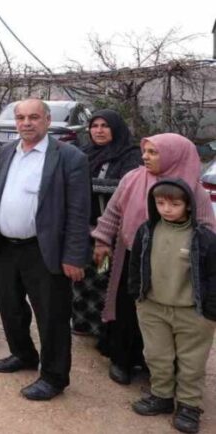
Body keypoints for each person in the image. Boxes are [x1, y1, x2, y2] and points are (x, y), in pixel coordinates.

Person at [0, 98, 91, 402]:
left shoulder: (69, 157)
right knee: (10, 306)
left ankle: (54, 376)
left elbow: (79, 212)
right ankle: (23, 354)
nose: (26, 123)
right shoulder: (7, 152)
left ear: (47, 121)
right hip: (5, 247)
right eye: (21, 118)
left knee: (51, 314)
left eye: (33, 117)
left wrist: (73, 256)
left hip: (45, 249)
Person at [91, 133, 216, 385]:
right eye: (145, 151)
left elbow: (207, 232)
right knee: (128, 311)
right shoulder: (132, 178)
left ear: (173, 156)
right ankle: (122, 361)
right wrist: (102, 241)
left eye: (153, 152)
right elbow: (113, 213)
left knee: (164, 319)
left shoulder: (192, 190)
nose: (145, 157)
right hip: (132, 259)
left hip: (175, 268)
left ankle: (160, 372)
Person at [128, 179, 216, 433]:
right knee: (157, 356)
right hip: (153, 308)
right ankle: (162, 396)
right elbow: (135, 263)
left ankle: (189, 406)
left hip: (192, 313)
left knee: (191, 362)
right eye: (160, 203)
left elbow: (213, 276)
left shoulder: (203, 238)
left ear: (188, 205)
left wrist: (210, 312)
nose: (166, 209)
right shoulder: (147, 231)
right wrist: (137, 295)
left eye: (175, 204)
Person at [72, 109, 143, 339]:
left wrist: (87, 184)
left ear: (116, 129)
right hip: (83, 229)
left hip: (110, 233)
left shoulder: (130, 155)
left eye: (105, 126)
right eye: (94, 126)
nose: (99, 131)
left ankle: (104, 328)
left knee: (104, 278)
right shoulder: (84, 153)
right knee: (82, 278)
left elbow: (125, 188)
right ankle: (82, 324)